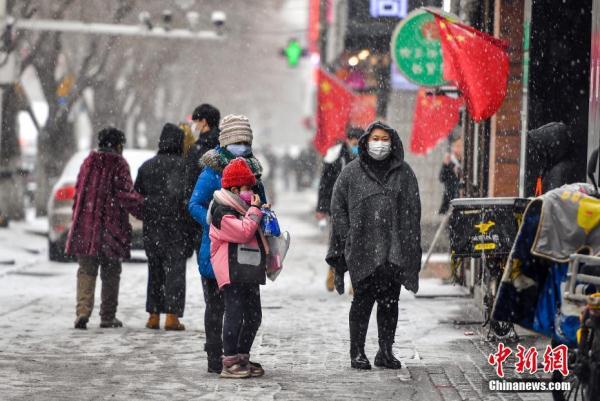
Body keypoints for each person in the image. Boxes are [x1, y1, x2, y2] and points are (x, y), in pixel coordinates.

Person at [326, 121, 421, 370]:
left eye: (385, 139)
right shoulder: (350, 173)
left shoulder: (404, 173)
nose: (380, 143)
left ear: (393, 142)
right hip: (362, 250)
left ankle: (385, 351)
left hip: (393, 250)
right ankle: (357, 352)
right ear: (366, 142)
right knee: (362, 302)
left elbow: (413, 211)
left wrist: (409, 243)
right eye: (375, 138)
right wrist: (347, 237)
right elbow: (338, 207)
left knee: (390, 302)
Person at [188, 114, 267, 374]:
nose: (241, 146)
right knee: (218, 309)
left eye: (246, 141)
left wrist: (262, 216)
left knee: (249, 311)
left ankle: (238, 356)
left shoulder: (254, 171)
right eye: (237, 141)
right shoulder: (211, 172)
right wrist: (216, 222)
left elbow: (259, 204)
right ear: (225, 142)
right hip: (218, 253)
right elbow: (195, 205)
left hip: (246, 254)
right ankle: (217, 358)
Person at [66, 127, 143, 330]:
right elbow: (126, 195)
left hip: (86, 226)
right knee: (111, 272)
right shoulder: (119, 164)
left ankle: (82, 312)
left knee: (86, 270)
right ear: (118, 145)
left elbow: (78, 193)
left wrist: (78, 218)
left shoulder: (88, 162)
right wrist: (144, 210)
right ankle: (107, 316)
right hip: (111, 228)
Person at [208, 158, 269, 378]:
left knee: (254, 315)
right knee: (234, 313)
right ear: (234, 189)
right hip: (231, 270)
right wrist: (254, 210)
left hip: (247, 268)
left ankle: (242, 356)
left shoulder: (242, 206)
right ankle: (230, 360)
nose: (251, 192)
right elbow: (243, 232)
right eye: (247, 188)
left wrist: (260, 212)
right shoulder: (221, 211)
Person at [134, 123, 193, 331]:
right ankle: (171, 316)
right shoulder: (184, 166)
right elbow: (189, 197)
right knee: (175, 271)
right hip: (177, 227)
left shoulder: (147, 166)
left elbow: (137, 194)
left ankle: (153, 315)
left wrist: (147, 212)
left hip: (153, 227)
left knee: (155, 271)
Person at [316, 127, 363, 291]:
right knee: (337, 241)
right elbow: (325, 183)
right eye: (353, 142)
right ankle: (334, 270)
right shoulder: (335, 156)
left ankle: (355, 281)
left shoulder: (365, 156)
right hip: (337, 207)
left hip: (358, 207)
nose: (355, 145)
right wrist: (321, 207)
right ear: (348, 140)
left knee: (357, 243)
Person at [184, 104, 222, 255]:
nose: (195, 125)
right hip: (222, 208)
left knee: (205, 255)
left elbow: (190, 179)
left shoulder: (198, 148)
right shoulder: (223, 144)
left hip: (202, 208)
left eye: (196, 121)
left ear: (204, 122)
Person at [438, 135, 462, 215]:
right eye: (456, 146)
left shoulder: (464, 162)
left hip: (460, 198)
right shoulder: (449, 161)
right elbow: (441, 178)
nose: (458, 148)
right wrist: (445, 165)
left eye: (460, 146)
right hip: (449, 198)